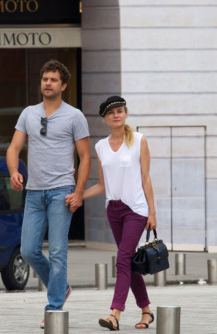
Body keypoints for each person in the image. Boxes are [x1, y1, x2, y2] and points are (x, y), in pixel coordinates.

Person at [6, 59, 91, 327]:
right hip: (33, 192)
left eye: (54, 79)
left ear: (63, 85)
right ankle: (61, 286)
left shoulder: (74, 115)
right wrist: (13, 172)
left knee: (57, 251)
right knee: (29, 250)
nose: (48, 83)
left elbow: (85, 156)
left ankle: (53, 306)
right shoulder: (28, 113)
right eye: (45, 79)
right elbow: (13, 148)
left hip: (61, 192)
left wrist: (78, 192)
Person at [76, 95, 157, 330]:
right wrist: (78, 195)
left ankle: (115, 314)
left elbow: (145, 178)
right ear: (105, 118)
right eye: (111, 112)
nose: (116, 115)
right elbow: (102, 185)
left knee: (122, 259)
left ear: (126, 113)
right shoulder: (100, 146)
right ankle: (146, 311)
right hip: (114, 210)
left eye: (120, 110)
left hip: (136, 209)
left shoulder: (139, 140)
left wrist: (152, 212)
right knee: (128, 262)